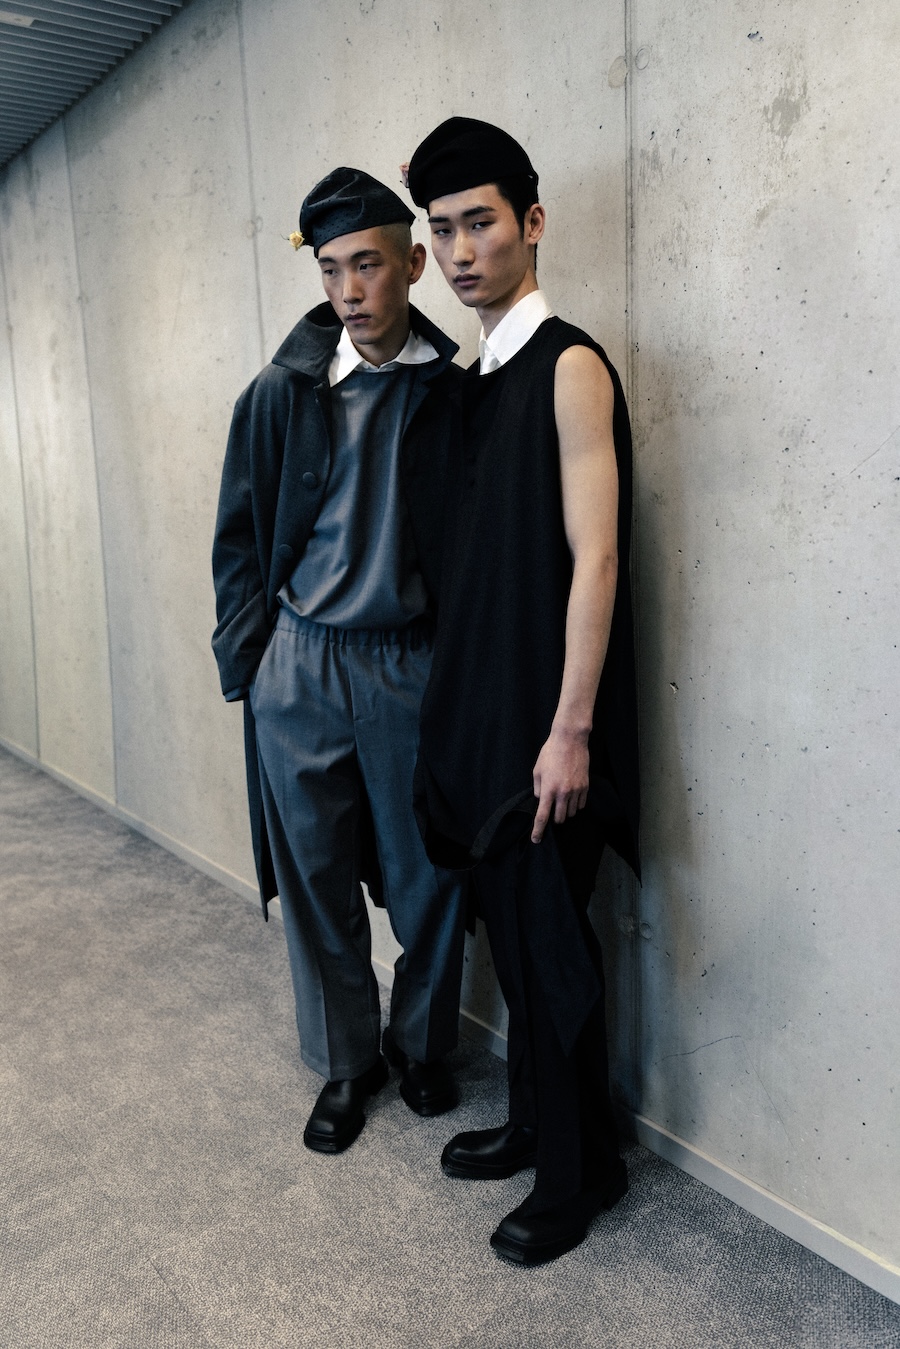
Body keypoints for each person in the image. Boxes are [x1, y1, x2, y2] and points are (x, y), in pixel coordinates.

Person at [404, 118, 640, 1265]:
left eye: (480, 223)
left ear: (531, 222)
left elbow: (598, 558)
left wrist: (571, 729)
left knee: (553, 952)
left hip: (549, 726)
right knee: (511, 933)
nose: (459, 251)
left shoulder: (569, 365)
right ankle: (538, 1124)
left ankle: (582, 1172)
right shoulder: (468, 387)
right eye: (442, 229)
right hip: (482, 718)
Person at [211, 167, 467, 1156]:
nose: (350, 290)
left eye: (368, 264)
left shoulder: (454, 396)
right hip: (301, 663)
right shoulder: (280, 395)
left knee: (433, 874)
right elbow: (237, 541)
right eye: (331, 270)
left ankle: (423, 1042)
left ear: (414, 264)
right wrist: (254, 664)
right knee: (315, 875)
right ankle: (347, 1063)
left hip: (409, 663)